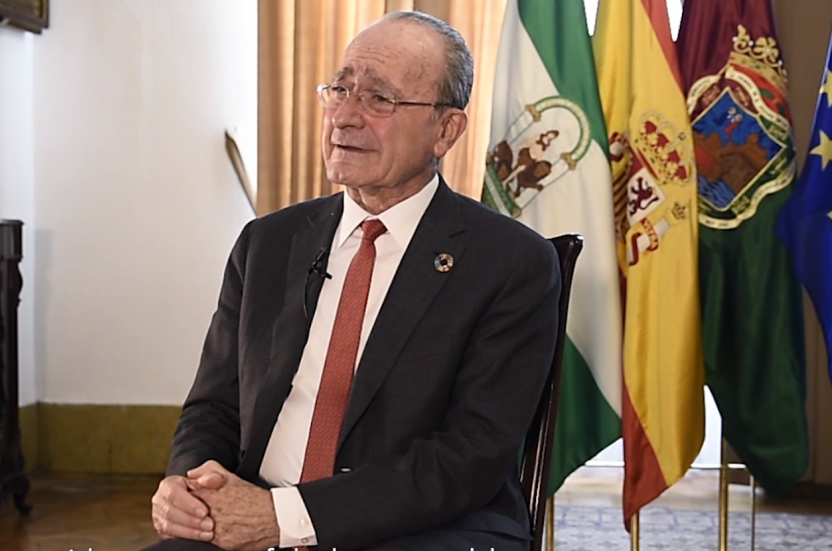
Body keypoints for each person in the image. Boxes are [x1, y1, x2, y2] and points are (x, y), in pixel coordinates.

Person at [144, 11, 560, 551]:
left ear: (446, 130)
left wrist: (285, 517)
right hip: (251, 512)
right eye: (340, 90)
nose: (344, 116)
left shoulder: (509, 261)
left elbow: (470, 454)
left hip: (422, 530)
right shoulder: (268, 242)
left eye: (379, 99)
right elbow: (214, 406)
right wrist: (194, 485)